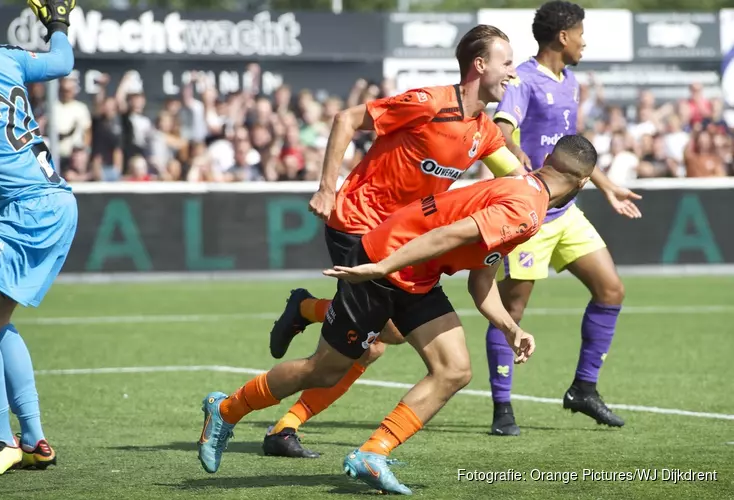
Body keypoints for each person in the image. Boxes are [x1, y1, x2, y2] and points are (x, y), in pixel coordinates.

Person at [197, 135, 597, 495]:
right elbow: (448, 236)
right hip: (386, 262)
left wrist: (510, 327)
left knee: (454, 369)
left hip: (415, 274)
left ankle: (373, 453)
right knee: (324, 370)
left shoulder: (523, 196)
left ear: (547, 159)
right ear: (581, 184)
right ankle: (226, 409)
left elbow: (481, 279)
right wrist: (382, 267)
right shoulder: (527, 208)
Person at [262, 25, 527, 458]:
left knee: (380, 341)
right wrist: (328, 187)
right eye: (507, 62)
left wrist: (544, 187)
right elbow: (346, 119)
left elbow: (516, 176)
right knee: (377, 338)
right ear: (480, 65)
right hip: (357, 222)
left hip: (399, 239)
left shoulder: (485, 131)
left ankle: (302, 337)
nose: (512, 72)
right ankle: (274, 416)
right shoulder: (429, 103)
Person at [486, 0, 641, 436]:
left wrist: (607, 186)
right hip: (531, 214)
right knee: (511, 311)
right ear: (562, 37)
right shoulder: (523, 80)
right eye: (581, 33)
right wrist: (519, 162)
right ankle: (502, 409)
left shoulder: (570, 81)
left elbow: (572, 149)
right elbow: (499, 132)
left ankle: (584, 389)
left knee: (611, 290)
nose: (584, 41)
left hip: (568, 212)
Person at [0, 0, 78, 476]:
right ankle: (34, 437)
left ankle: (0, 438)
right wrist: (57, 22)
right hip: (53, 201)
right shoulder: (2, 55)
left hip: (29, 209)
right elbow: (62, 62)